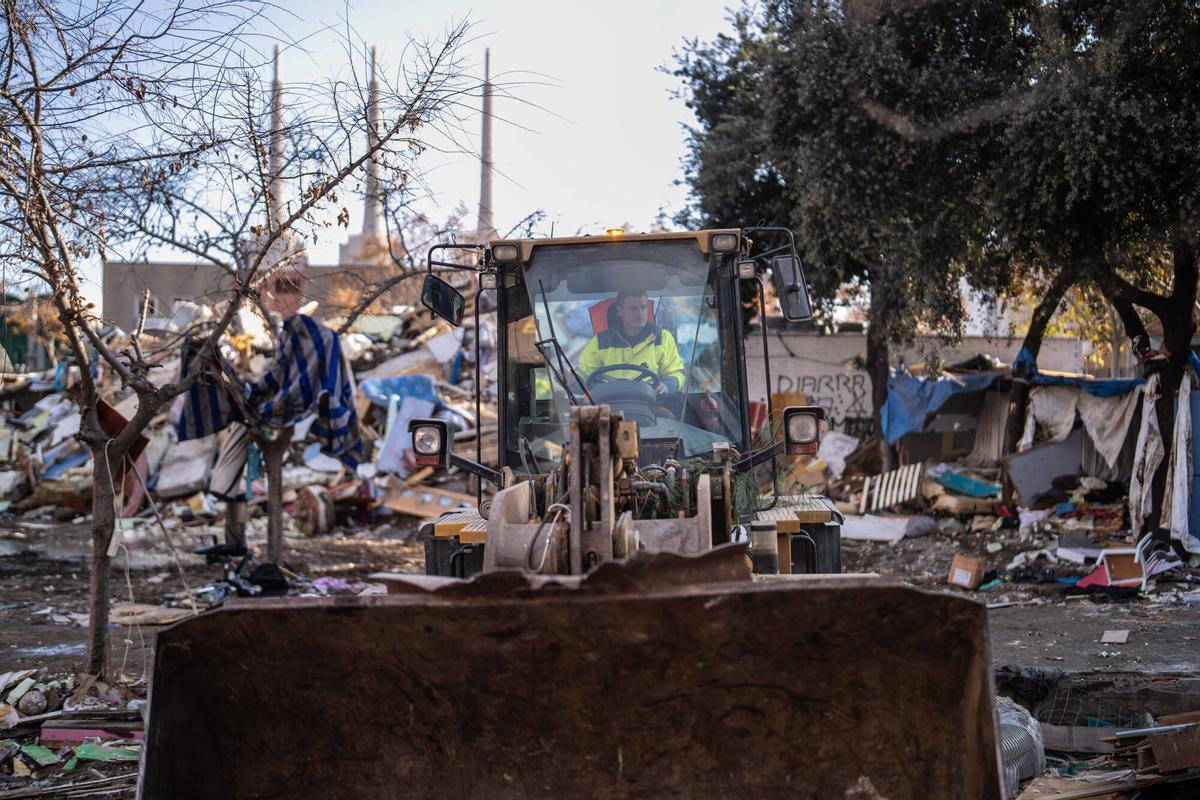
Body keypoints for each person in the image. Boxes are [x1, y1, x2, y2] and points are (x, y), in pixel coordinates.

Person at [578, 291, 685, 396]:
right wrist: (572, 379)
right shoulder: (599, 342)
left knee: (670, 414)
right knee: (582, 413)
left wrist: (667, 385)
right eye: (633, 308)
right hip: (610, 407)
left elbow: (677, 372)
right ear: (620, 311)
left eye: (643, 307)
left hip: (652, 406)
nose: (640, 313)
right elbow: (584, 375)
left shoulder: (663, 338)